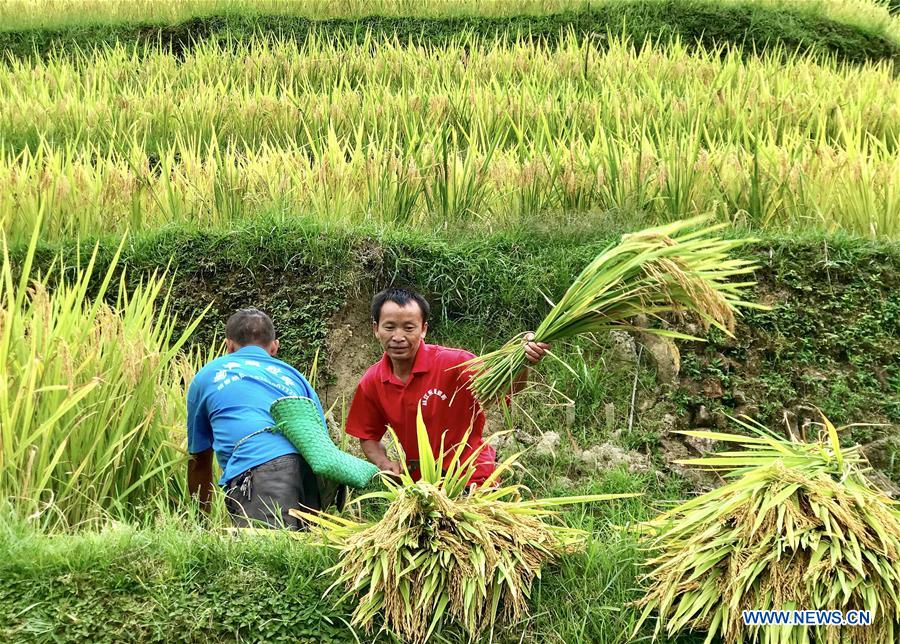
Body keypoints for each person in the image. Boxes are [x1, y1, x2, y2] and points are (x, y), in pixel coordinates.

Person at [345, 288, 549, 485]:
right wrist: (385, 463)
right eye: (389, 327)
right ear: (376, 329)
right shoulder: (373, 380)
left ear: (423, 329)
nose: (398, 337)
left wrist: (523, 362)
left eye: (409, 328)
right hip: (422, 487)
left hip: (471, 478)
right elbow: (368, 435)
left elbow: (508, 389)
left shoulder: (456, 363)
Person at [187, 308, 333, 530]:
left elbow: (200, 459)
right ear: (274, 347)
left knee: (263, 560)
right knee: (306, 557)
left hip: (262, 471)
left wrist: (200, 522)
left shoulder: (208, 375)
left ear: (229, 345)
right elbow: (320, 445)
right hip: (311, 475)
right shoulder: (295, 376)